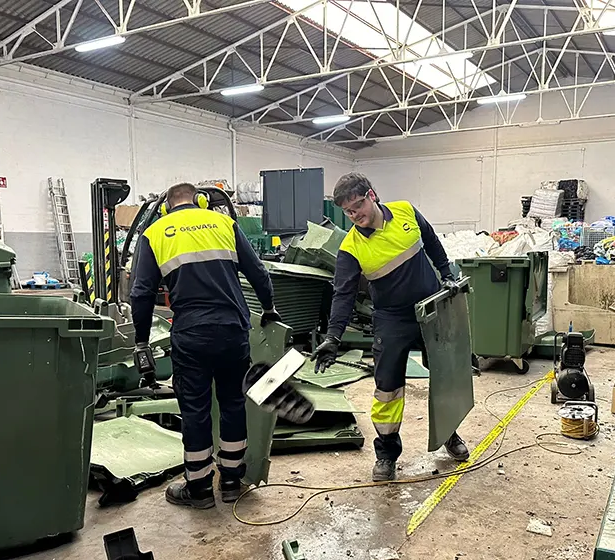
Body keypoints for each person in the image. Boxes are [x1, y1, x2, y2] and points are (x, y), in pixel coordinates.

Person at [130, 182, 280, 509]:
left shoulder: (155, 233)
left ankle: (198, 489)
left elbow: (140, 293)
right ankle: (230, 481)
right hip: (232, 331)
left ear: (168, 207)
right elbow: (258, 273)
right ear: (200, 201)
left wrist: (141, 341)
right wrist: (269, 308)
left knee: (195, 409)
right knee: (232, 404)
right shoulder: (225, 224)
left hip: (191, 335)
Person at [312, 173, 468, 482]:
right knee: (387, 389)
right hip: (391, 319)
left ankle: (449, 432)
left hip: (431, 309)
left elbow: (432, 240)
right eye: (348, 212)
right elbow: (343, 294)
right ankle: (386, 454)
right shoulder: (350, 246)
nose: (355, 216)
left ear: (371, 195)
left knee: (446, 375)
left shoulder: (406, 212)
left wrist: (446, 273)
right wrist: (333, 337)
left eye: (358, 206)